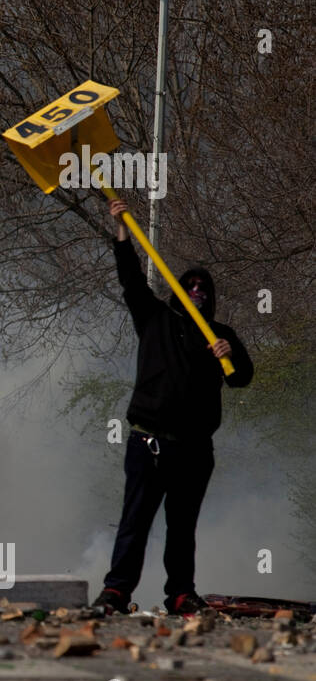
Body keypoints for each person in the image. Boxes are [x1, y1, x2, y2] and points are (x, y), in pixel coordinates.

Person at [93, 198, 253, 616]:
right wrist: (122, 231)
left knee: (182, 529)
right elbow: (130, 280)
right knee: (135, 523)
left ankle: (181, 594)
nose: (198, 291)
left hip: (195, 449)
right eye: (191, 285)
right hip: (148, 443)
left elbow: (241, 379)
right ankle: (116, 592)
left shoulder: (220, 334)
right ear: (179, 290)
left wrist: (228, 351)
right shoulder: (154, 318)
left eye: (204, 288)